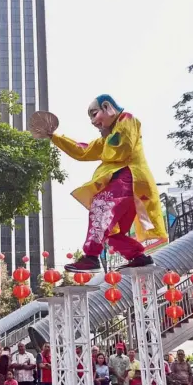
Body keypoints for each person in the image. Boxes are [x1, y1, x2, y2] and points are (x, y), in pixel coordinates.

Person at [35, 95, 166, 272]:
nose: (92, 121)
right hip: (127, 183)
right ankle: (138, 256)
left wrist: (105, 140)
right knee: (112, 230)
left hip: (129, 177)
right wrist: (55, 137)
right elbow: (84, 150)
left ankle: (91, 257)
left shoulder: (127, 119)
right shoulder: (108, 137)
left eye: (94, 114)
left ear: (108, 107)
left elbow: (122, 149)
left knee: (101, 205)